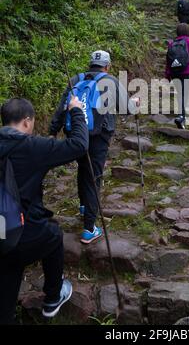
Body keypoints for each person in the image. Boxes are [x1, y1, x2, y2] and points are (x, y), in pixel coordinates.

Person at [0, 96, 88, 324]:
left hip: (2, 231)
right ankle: (53, 296)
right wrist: (76, 111)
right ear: (27, 122)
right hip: (22, 232)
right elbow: (79, 145)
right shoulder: (32, 147)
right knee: (52, 234)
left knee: (9, 265)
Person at [50, 50, 137, 244]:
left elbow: (63, 107)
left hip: (77, 133)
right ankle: (89, 227)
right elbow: (126, 109)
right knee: (94, 175)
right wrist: (135, 103)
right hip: (99, 135)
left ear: (91, 64)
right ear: (107, 66)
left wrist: (53, 131)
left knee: (83, 168)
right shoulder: (110, 81)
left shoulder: (76, 78)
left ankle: (84, 206)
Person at [166, 23, 189, 129]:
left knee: (179, 94)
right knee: (184, 94)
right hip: (187, 71)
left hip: (174, 72)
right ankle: (181, 117)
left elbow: (168, 60)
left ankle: (181, 115)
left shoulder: (172, 43)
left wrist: (167, 74)